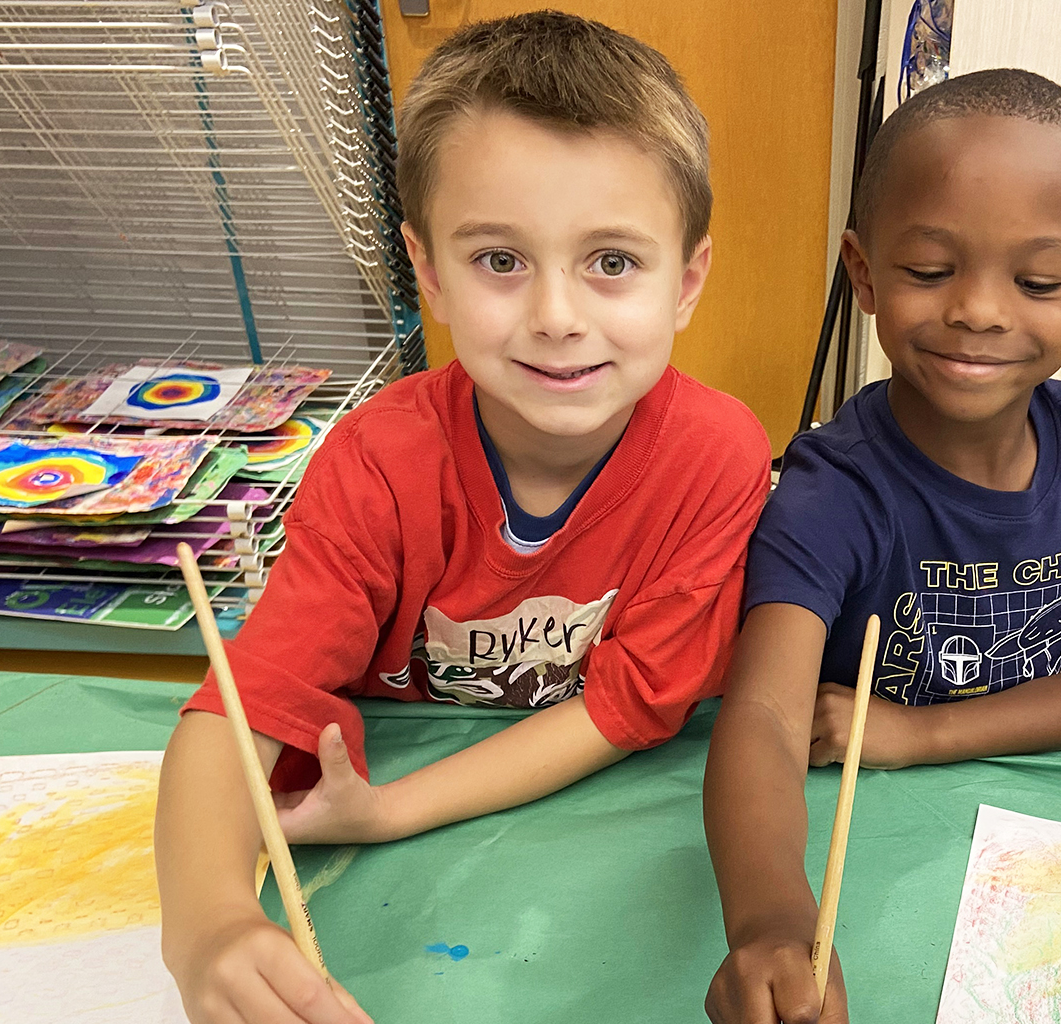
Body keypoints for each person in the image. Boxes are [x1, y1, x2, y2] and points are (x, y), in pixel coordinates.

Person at [153, 13, 771, 1024]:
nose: (558, 316)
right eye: (499, 261)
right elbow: (239, 710)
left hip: (566, 831)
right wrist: (209, 923)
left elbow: (624, 708)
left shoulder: (719, 456)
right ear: (429, 270)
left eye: (612, 261)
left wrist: (392, 809)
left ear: (688, 280)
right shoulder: (372, 465)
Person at [701, 68, 1061, 1024]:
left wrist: (919, 733)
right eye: (929, 271)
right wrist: (772, 921)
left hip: (1052, 848)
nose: (981, 311)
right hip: (876, 848)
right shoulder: (831, 489)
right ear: (864, 272)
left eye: (1038, 281)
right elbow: (761, 720)